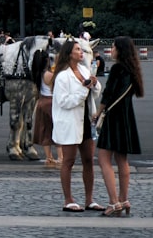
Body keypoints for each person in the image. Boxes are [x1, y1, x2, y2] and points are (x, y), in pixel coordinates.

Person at [51, 38, 104, 212]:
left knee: (88, 159)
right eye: (77, 49)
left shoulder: (84, 69)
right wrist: (84, 89)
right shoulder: (62, 76)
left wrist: (94, 85)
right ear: (69, 53)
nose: (81, 52)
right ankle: (68, 199)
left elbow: (94, 94)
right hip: (69, 122)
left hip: (86, 121)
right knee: (69, 160)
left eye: (81, 50)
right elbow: (64, 101)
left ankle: (90, 199)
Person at [94, 36, 144, 217]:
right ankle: (124, 199)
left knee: (103, 159)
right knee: (122, 160)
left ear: (120, 50)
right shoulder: (133, 70)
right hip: (126, 117)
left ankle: (114, 202)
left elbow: (108, 94)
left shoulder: (117, 68)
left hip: (113, 117)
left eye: (113, 47)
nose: (111, 51)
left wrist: (98, 112)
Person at [32, 54, 60, 168]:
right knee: (57, 130)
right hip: (51, 102)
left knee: (44, 131)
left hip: (42, 101)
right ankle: (61, 157)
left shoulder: (38, 74)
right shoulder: (50, 75)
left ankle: (49, 158)